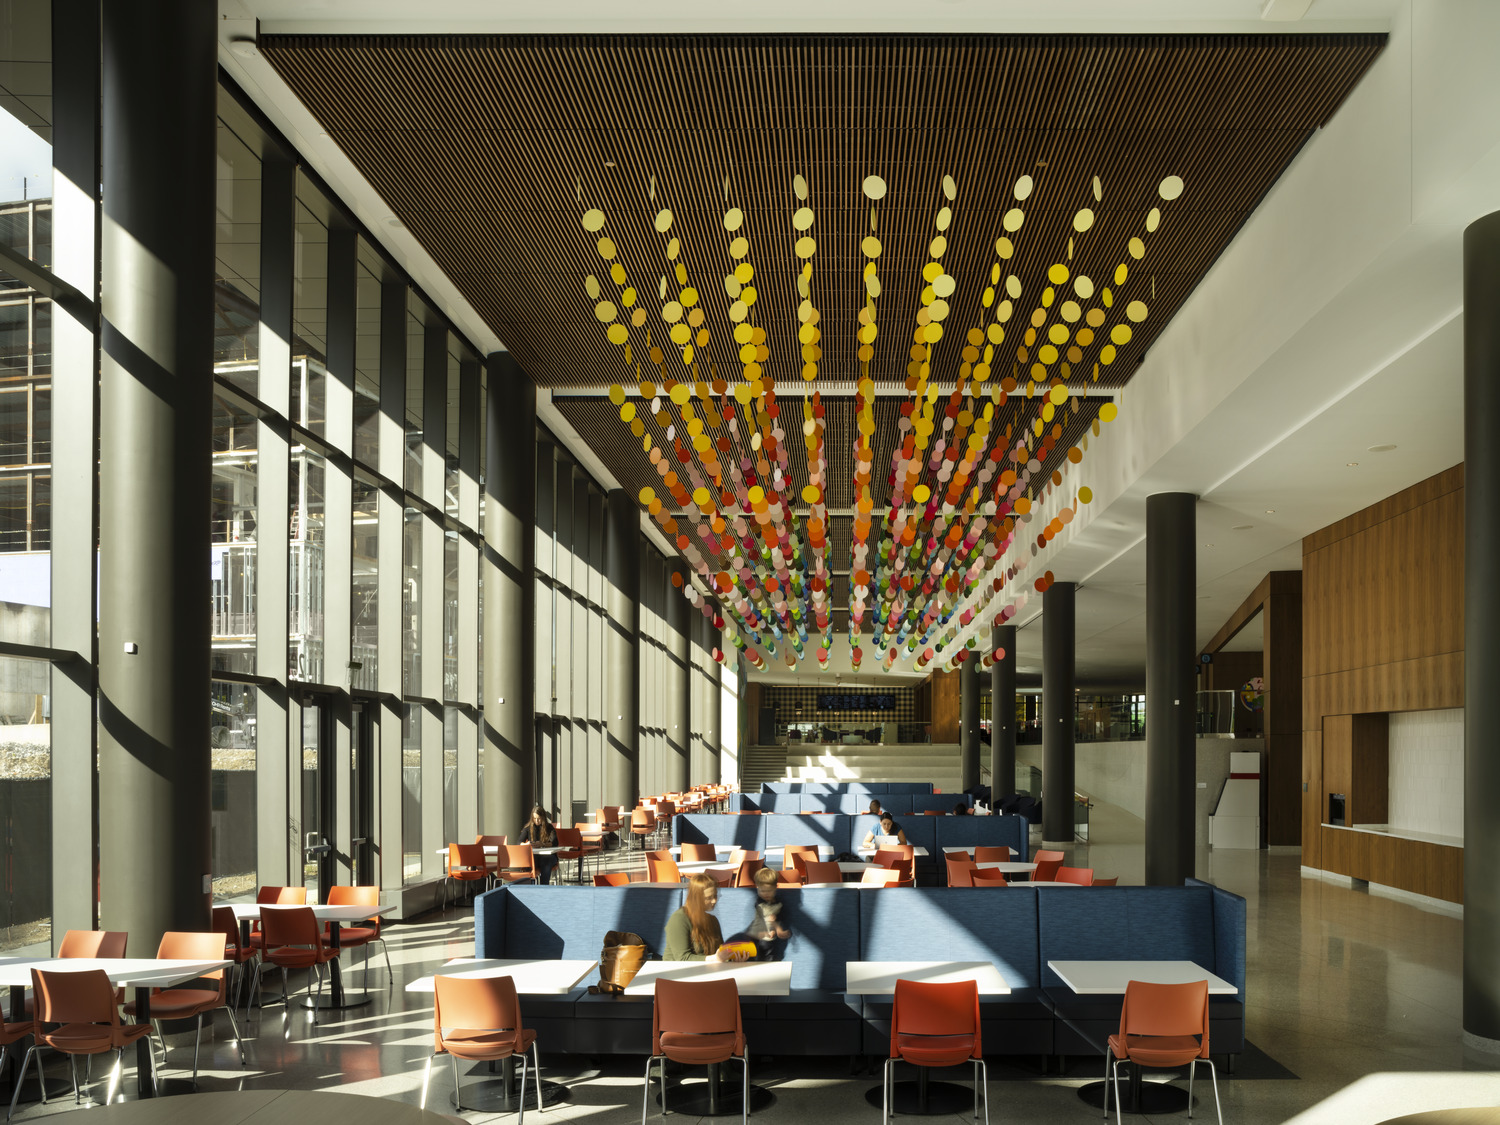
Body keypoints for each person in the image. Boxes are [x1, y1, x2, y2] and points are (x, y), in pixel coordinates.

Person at [664, 874, 747, 962]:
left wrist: (732, 959)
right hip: (677, 972)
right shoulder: (679, 919)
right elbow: (682, 958)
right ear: (696, 898)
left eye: (715, 896)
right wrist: (715, 959)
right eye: (708, 898)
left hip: (706, 970)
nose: (714, 901)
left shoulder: (712, 920)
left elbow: (719, 953)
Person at [742, 866, 791, 957]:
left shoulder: (779, 904)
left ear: (776, 888)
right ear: (757, 888)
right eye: (762, 891)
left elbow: (779, 918)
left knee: (769, 955)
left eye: (769, 891)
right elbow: (763, 919)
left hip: (768, 939)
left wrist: (778, 930)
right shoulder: (759, 903)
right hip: (756, 937)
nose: (766, 894)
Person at [518, 804, 560, 885]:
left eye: (539, 818)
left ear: (543, 818)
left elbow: (555, 842)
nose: (537, 821)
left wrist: (542, 844)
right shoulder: (528, 828)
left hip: (549, 857)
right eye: (534, 818)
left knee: (546, 860)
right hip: (535, 857)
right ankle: (530, 886)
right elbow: (519, 842)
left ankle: (544, 886)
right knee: (529, 861)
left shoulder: (549, 827)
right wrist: (527, 844)